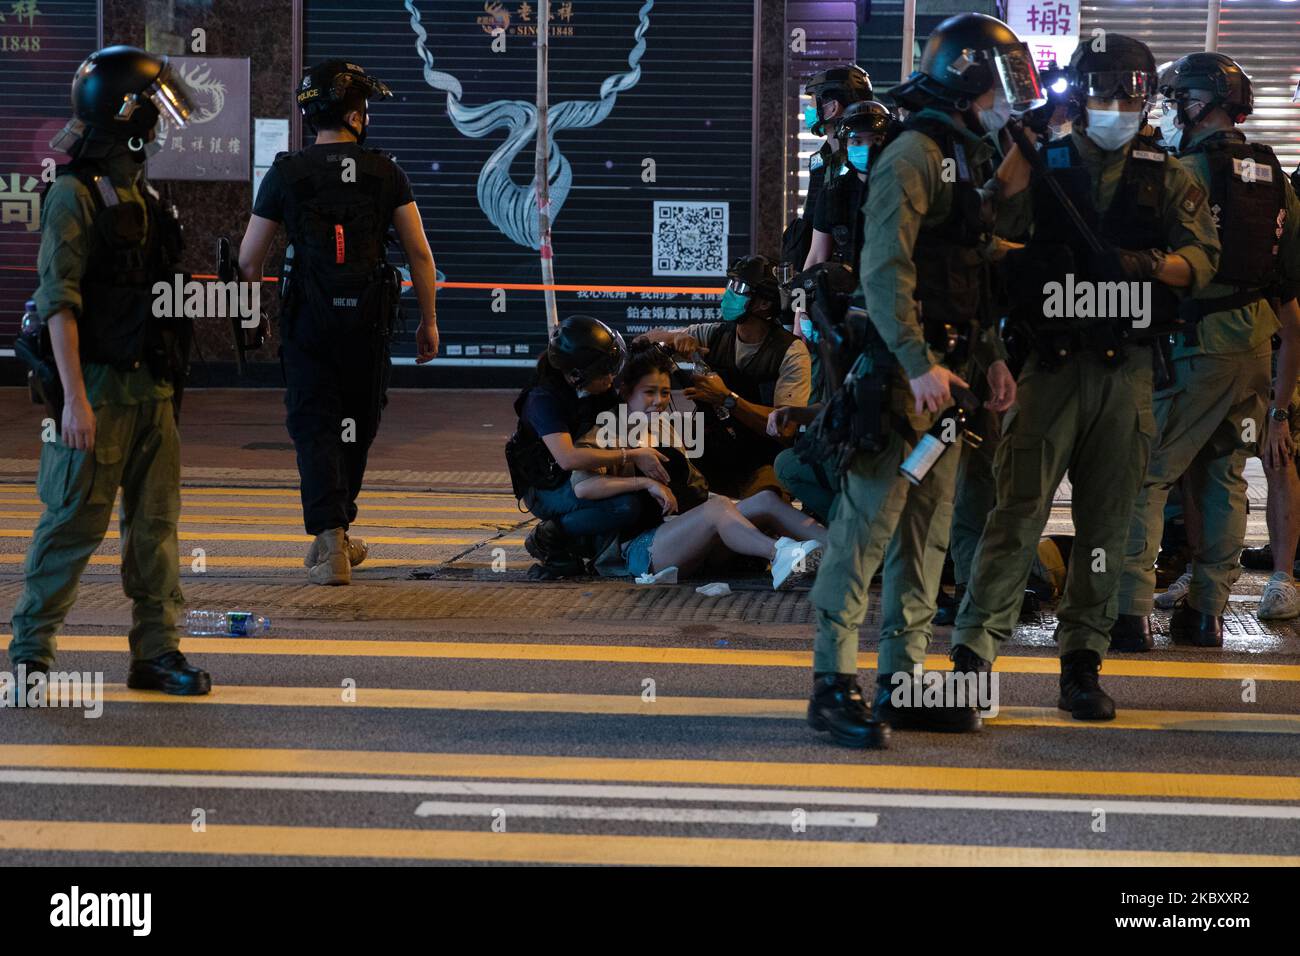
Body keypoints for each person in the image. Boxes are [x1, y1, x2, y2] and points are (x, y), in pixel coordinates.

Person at [951, 35, 1220, 719]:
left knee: (1105, 532)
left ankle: (1082, 664)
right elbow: (983, 227)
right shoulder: (1044, 160)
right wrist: (1036, 262)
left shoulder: (1169, 174)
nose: (1119, 106)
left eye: (1132, 93)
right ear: (1081, 93)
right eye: (1105, 91)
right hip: (1050, 366)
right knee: (1015, 517)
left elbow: (1202, 262)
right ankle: (973, 659)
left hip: (1126, 372)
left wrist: (1141, 266)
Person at [787, 13, 1028, 748]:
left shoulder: (963, 153)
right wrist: (918, 365)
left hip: (948, 384)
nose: (1007, 97)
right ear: (967, 77)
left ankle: (903, 678)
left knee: (924, 541)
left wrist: (985, 357)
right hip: (900, 382)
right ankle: (832, 686)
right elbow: (883, 268)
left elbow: (966, 270)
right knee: (864, 535)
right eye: (1000, 81)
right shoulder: (911, 152)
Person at [8, 46, 211, 694]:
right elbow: (58, 302)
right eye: (153, 109)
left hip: (150, 390)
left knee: (155, 532)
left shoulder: (140, 193)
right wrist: (73, 401)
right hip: (96, 388)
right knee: (71, 526)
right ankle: (30, 658)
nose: (159, 123)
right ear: (127, 113)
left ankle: (156, 653)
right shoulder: (74, 194)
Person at [1110, 52, 1300, 648]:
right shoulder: (1276, 177)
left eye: (1176, 98)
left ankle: (1131, 613)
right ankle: (1207, 614)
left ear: (1199, 103)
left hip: (1191, 346)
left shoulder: (1178, 171)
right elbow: (1290, 285)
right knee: (1224, 475)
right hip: (1253, 350)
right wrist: (1281, 398)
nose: (1168, 110)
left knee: (1148, 472)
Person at [237, 60, 441, 586]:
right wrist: (428, 323)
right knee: (357, 422)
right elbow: (419, 254)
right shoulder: (385, 172)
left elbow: (248, 260)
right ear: (353, 114)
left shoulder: (285, 173)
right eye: (365, 108)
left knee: (314, 424)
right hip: (369, 324)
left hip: (307, 322)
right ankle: (336, 533)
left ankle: (331, 537)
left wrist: (250, 317)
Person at [570, 343, 825, 586]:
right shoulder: (607, 428)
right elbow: (583, 487)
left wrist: (736, 514)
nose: (658, 401)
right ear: (625, 391)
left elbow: (694, 489)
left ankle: (845, 555)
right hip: (640, 547)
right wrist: (644, 481)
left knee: (765, 500)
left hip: (687, 529)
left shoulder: (662, 425)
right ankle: (781, 556)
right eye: (649, 392)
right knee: (718, 508)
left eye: (665, 393)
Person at [776, 100, 896, 522]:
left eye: (875, 140)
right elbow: (816, 255)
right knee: (835, 404)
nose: (865, 148)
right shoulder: (835, 190)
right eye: (857, 140)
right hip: (842, 319)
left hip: (894, 319)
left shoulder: (906, 187)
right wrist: (801, 312)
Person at [639, 255, 811, 498]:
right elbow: (643, 341)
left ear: (763, 303)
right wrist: (674, 338)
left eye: (739, 288)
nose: (730, 293)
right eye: (731, 284)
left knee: (764, 506)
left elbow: (785, 428)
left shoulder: (790, 351)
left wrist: (727, 399)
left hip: (761, 460)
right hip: (710, 450)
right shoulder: (714, 334)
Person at [506, 315, 666, 577]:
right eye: (606, 372)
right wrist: (633, 455)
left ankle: (583, 542)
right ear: (577, 375)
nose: (612, 377)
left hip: (580, 478)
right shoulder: (542, 399)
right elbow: (567, 458)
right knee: (624, 506)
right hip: (547, 487)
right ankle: (550, 537)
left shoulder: (594, 387)